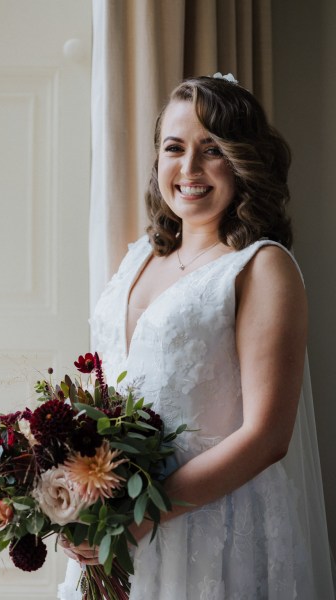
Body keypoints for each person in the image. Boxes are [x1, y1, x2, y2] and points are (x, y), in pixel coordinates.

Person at [58, 75, 335, 599]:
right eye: (174, 148)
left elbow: (268, 437)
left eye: (211, 150)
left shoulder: (262, 267)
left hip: (215, 528)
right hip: (119, 518)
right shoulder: (140, 254)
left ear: (243, 161)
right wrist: (75, 494)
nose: (188, 169)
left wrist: (143, 516)